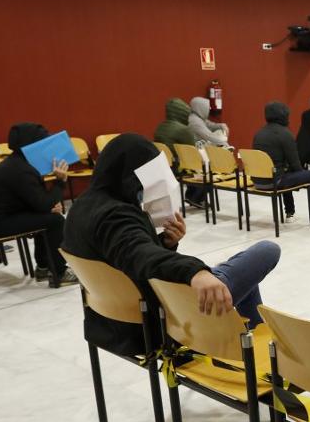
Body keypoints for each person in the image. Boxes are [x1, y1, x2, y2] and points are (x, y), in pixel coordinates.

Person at [62, 134, 281, 352]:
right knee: (267, 251)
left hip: (111, 319)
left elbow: (124, 253)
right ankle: (255, 349)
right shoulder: (115, 215)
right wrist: (196, 272)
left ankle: (251, 341)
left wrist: (164, 243)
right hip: (166, 320)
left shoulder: (80, 208)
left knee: (246, 276)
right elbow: (140, 254)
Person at [0, 123, 76, 285]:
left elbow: (37, 202)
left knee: (47, 216)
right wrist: (60, 183)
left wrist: (48, 205)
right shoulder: (21, 169)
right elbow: (42, 204)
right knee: (55, 220)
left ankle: (44, 267)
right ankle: (59, 273)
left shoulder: (16, 163)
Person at [251, 102, 310, 226]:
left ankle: (290, 213)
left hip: (257, 182)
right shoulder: (285, 134)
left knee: (283, 173)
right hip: (274, 182)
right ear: (283, 115)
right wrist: (301, 178)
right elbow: (296, 164)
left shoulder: (258, 133)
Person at [153, 98, 206, 207]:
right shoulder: (183, 130)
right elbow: (193, 152)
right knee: (202, 165)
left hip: (163, 166)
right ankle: (196, 197)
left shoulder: (160, 127)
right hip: (177, 169)